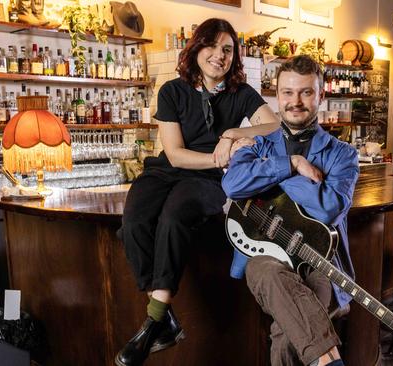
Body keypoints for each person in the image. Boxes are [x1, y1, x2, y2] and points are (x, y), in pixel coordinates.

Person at [115, 18, 278, 366]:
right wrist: (217, 157)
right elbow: (174, 153)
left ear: (235, 57)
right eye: (211, 45)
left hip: (212, 182)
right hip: (166, 171)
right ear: (196, 48)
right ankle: (165, 320)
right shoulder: (172, 91)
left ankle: (152, 322)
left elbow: (275, 125)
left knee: (175, 216)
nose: (219, 55)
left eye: (227, 49)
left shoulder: (242, 94)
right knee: (133, 223)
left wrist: (233, 132)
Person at [222, 55, 359, 366]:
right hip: (264, 251)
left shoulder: (343, 154)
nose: (295, 102)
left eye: (306, 92)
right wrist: (293, 165)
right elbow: (232, 185)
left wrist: (269, 176)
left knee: (288, 331)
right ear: (276, 96)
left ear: (321, 95)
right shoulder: (256, 143)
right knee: (266, 271)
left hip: (320, 260)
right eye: (287, 92)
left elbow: (328, 208)